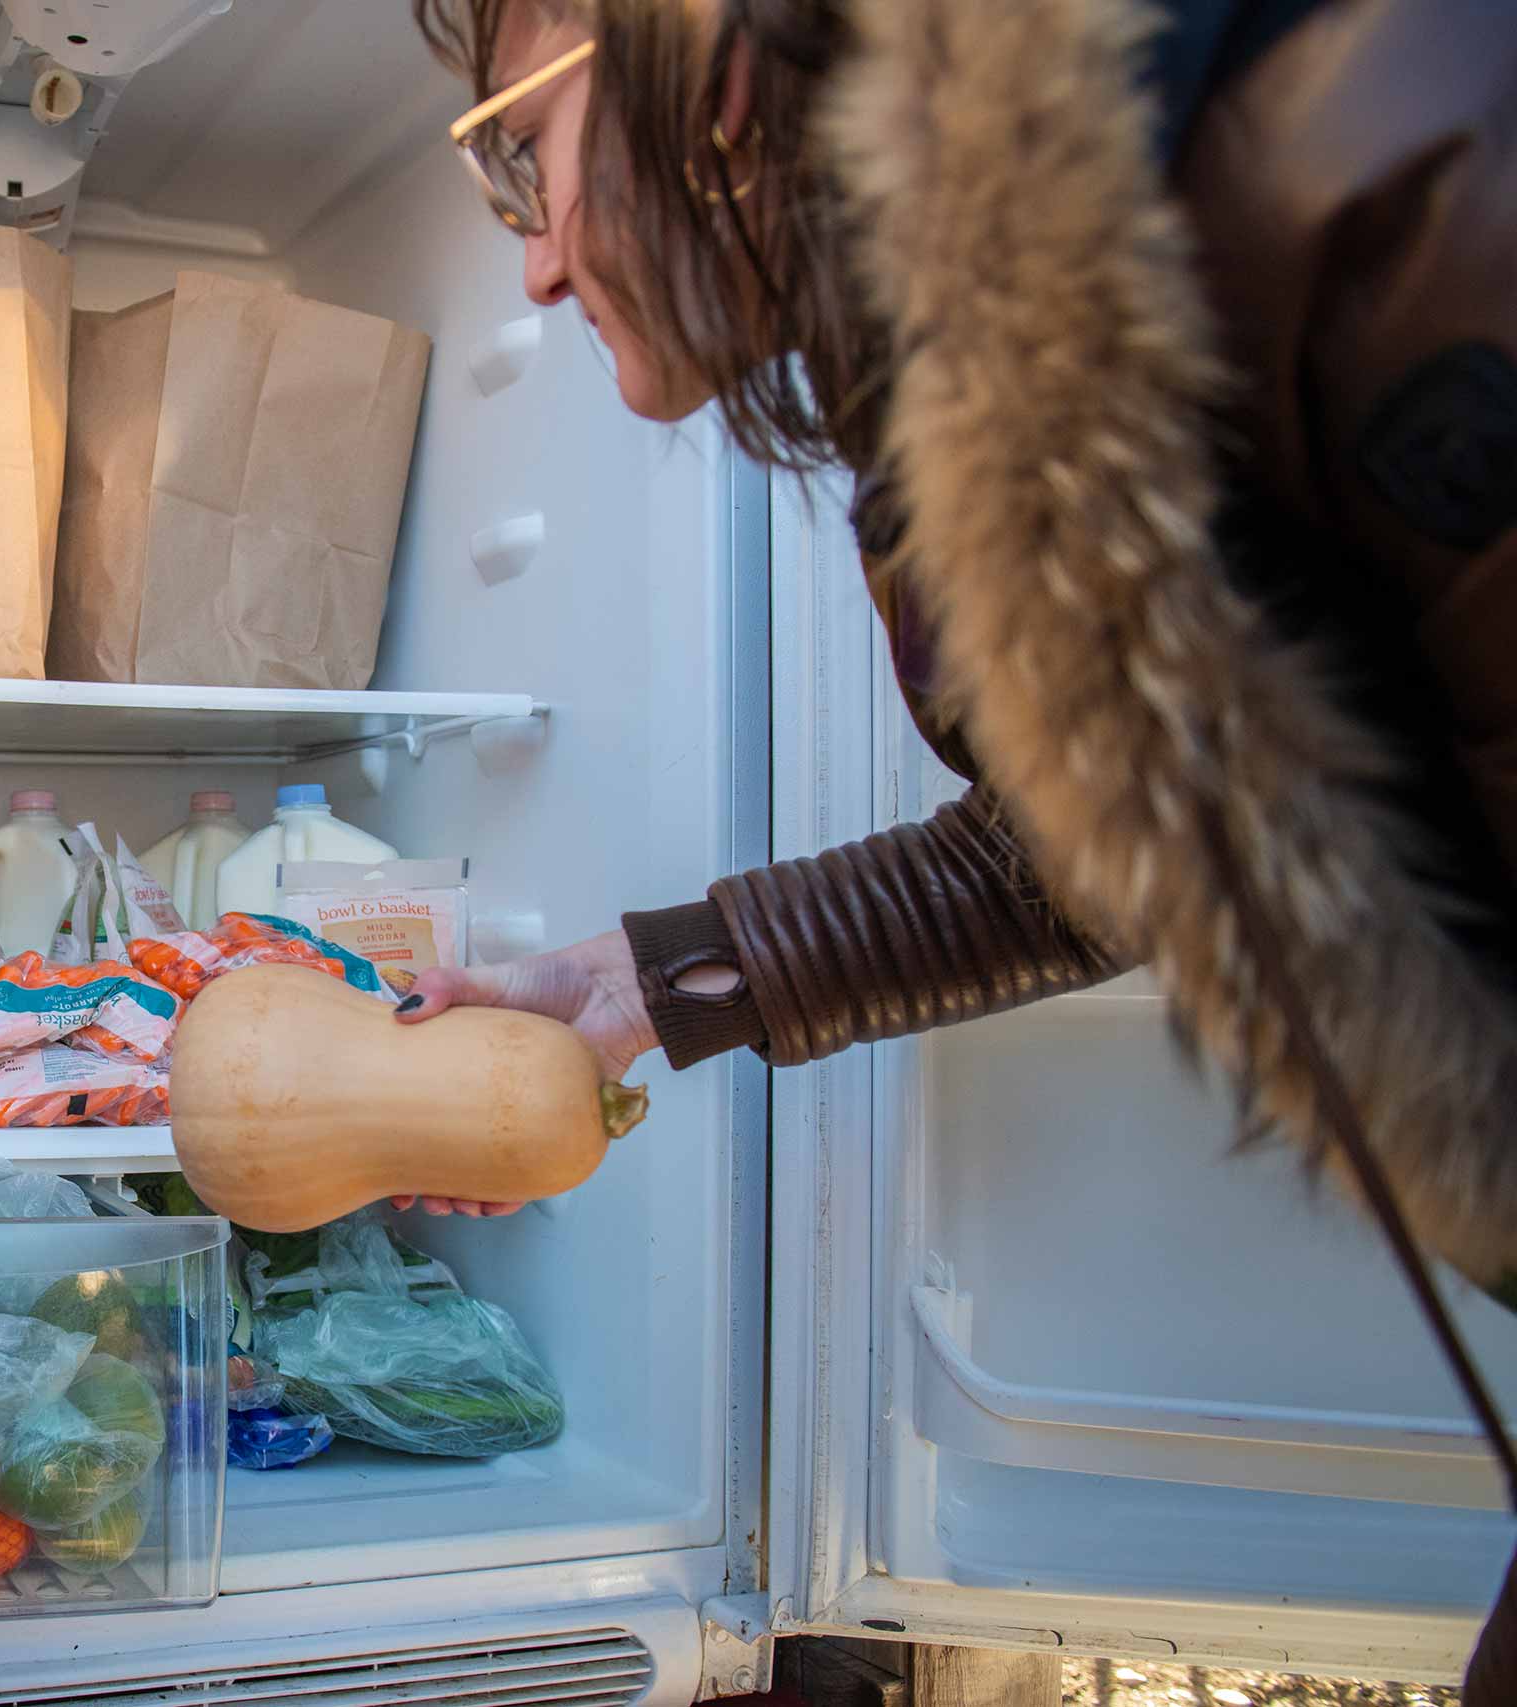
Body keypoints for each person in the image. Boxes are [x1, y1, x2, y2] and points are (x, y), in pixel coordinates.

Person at [390, 0, 1514, 1691]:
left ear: (706, 50)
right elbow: (1093, 848)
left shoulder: (1335, 165)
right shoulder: (947, 351)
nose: (536, 271)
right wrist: (643, 983)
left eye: (518, 159)